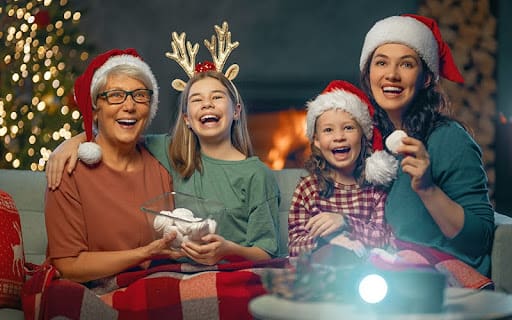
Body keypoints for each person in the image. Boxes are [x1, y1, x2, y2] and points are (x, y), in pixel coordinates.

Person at [44, 22, 283, 266]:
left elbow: (268, 250)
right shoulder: (175, 155)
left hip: (229, 271)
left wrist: (228, 249)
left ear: (236, 111)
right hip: (184, 272)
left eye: (217, 97)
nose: (207, 104)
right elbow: (118, 134)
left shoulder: (252, 173)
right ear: (187, 119)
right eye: (197, 99)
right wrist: (76, 141)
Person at [358, 14, 494, 277]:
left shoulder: (448, 138)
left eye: (406, 64)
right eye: (381, 62)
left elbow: (480, 240)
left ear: (427, 78)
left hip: (439, 280)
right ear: (369, 73)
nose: (391, 75)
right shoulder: (371, 143)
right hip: (381, 277)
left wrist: (428, 189)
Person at [44, 48, 183, 284]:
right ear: (95, 110)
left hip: (158, 285)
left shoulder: (164, 160)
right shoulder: (69, 171)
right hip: (95, 290)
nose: (129, 106)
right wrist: (145, 254)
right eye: (116, 95)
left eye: (140, 95)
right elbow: (68, 265)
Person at [288, 80, 397, 258]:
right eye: (328, 130)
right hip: (323, 267)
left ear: (363, 136)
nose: (339, 137)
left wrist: (346, 222)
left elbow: (383, 238)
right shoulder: (308, 189)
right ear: (316, 140)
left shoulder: (375, 189)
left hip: (366, 271)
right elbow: (294, 245)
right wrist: (327, 241)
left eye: (348, 128)